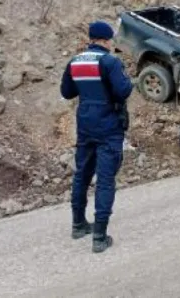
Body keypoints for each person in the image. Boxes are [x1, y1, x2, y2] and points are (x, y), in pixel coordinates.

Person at [60, 20, 134, 254]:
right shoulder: (110, 62)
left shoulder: (75, 62)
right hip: (108, 125)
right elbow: (123, 91)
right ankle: (100, 236)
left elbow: (67, 92)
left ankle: (78, 224)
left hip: (85, 125)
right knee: (105, 179)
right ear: (105, 40)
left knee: (82, 173)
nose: (112, 43)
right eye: (111, 39)